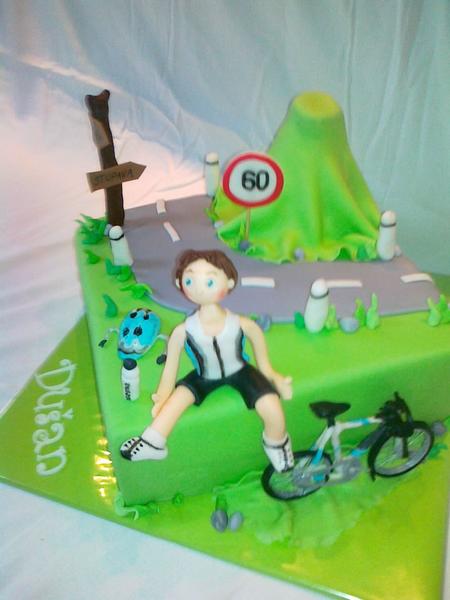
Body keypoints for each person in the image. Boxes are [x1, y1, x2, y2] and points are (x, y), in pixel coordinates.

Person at [120, 249, 294, 472]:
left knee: (271, 405)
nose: (199, 288)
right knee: (177, 400)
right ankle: (152, 443)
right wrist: (163, 396)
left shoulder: (243, 324)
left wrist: (274, 377)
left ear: (230, 282)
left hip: (241, 371)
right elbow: (170, 369)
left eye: (209, 281)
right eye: (190, 280)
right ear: (179, 283)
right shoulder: (183, 331)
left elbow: (264, 363)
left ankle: (276, 443)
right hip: (204, 375)